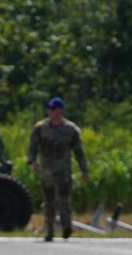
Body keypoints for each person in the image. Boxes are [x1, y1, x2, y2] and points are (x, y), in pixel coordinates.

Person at [26, 97, 90, 242]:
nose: (51, 112)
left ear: (60, 110)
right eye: (49, 109)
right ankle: (49, 231)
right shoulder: (40, 128)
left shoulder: (70, 129)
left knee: (64, 200)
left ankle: (66, 226)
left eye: (53, 109)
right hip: (46, 171)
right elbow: (33, 147)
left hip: (64, 171)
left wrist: (84, 169)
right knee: (48, 202)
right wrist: (32, 162)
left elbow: (79, 151)